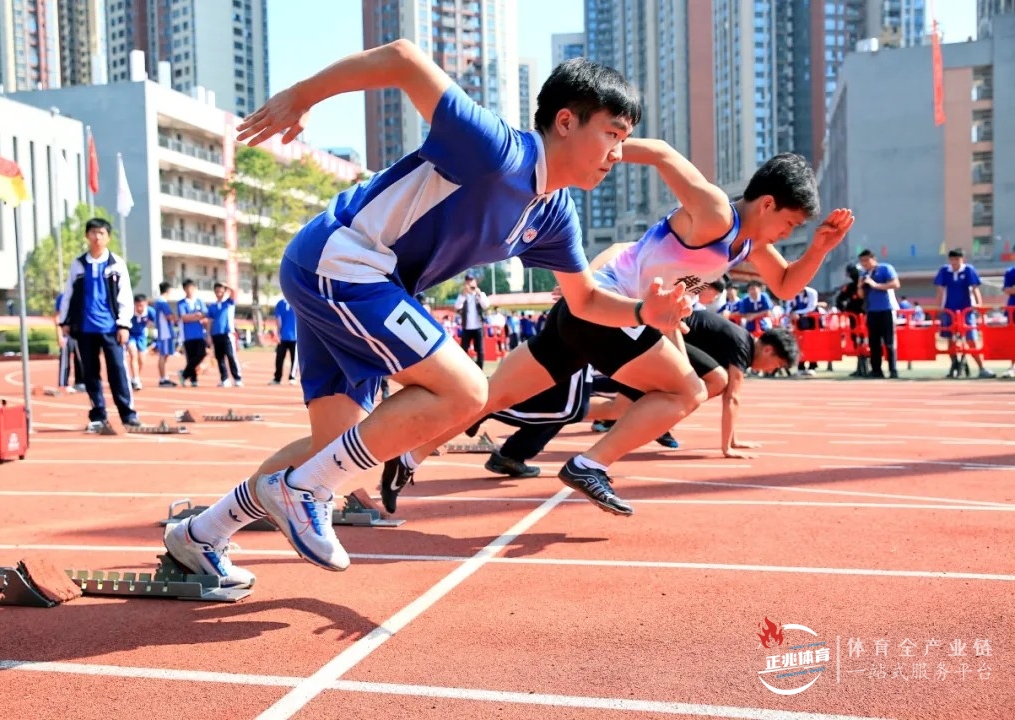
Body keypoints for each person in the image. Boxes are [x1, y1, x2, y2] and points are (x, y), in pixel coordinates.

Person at [160, 43, 692, 587]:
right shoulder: (494, 150)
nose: (617, 154)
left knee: (338, 450)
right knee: (466, 391)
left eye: (625, 140)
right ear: (565, 121)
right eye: (612, 134)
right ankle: (300, 492)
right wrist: (301, 97)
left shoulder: (554, 213)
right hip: (343, 258)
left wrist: (644, 310)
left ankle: (199, 536)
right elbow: (403, 58)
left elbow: (584, 301)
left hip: (366, 281)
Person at [381, 151, 854, 516]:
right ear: (767, 203)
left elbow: (788, 284)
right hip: (610, 311)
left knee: (488, 395)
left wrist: (817, 248)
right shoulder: (716, 214)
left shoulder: (747, 241)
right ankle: (589, 464)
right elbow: (666, 155)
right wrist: (596, 155)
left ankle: (409, 455)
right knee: (690, 391)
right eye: (789, 223)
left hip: (585, 314)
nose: (785, 233)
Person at [482, 309, 798, 478]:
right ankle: (493, 411)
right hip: (644, 342)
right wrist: (727, 447)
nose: (771, 369)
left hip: (649, 352)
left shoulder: (734, 342)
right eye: (776, 363)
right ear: (768, 348)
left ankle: (510, 439)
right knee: (714, 381)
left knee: (607, 408)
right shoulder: (741, 349)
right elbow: (732, 398)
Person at [57, 218, 141, 431]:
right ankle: (98, 415)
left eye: (101, 233)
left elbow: (125, 296)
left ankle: (128, 414)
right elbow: (69, 294)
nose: (97, 237)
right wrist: (65, 321)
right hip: (85, 329)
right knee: (90, 374)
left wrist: (124, 325)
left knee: (118, 371)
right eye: (93, 233)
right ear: (87, 236)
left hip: (111, 328)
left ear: (108, 237)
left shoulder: (116, 264)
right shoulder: (79, 265)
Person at [934, 248, 994, 378]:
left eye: (957, 259)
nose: (954, 262)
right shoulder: (944, 271)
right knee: (950, 340)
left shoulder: (968, 270)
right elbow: (939, 290)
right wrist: (939, 308)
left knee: (971, 339)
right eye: (952, 259)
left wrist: (979, 305)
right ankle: (954, 366)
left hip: (967, 310)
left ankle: (981, 368)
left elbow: (975, 288)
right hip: (949, 310)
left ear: (962, 259)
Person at [857, 249, 900, 379]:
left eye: (866, 260)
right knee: (874, 342)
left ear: (873, 259)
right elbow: (861, 295)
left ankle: (893, 370)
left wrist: (875, 285)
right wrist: (860, 285)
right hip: (871, 311)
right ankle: (876, 370)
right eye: (862, 261)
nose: (864, 264)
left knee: (889, 342)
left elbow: (896, 284)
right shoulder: (864, 274)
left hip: (887, 309)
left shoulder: (885, 268)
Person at [207, 282, 243, 387]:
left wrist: (227, 285)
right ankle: (224, 379)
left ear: (224, 291)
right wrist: (209, 335)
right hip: (216, 334)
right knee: (220, 358)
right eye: (217, 291)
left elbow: (234, 292)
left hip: (227, 334)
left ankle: (237, 378)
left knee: (231, 356)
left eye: (221, 291)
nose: (219, 293)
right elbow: (209, 321)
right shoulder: (212, 306)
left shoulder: (229, 303)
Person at [177, 279, 208, 387]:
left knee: (201, 354)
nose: (189, 290)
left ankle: (184, 374)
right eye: (187, 288)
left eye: (191, 288)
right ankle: (193, 379)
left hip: (199, 334)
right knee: (191, 357)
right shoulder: (181, 303)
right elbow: (184, 318)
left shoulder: (199, 301)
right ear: (184, 289)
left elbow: (204, 314)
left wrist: (193, 317)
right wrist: (196, 316)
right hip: (187, 335)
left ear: (194, 288)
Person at [455, 273, 489, 368]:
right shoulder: (463, 295)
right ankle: (463, 370)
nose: (469, 283)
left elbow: (486, 305)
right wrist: (463, 295)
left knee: (480, 351)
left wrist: (479, 294)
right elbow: (457, 306)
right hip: (466, 327)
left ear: (475, 282)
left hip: (478, 327)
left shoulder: (480, 294)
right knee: (463, 350)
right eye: (468, 281)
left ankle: (480, 370)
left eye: (471, 281)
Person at [54, 290, 85, 393]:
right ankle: (63, 383)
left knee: (81, 357)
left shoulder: (82, 295)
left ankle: (80, 382)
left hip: (79, 331)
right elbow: (57, 316)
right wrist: (59, 335)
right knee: (65, 358)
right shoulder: (62, 297)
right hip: (66, 331)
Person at [126, 294, 155, 391]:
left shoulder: (150, 311)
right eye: (138, 305)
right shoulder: (129, 311)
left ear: (146, 304)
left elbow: (156, 321)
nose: (140, 308)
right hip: (131, 335)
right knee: (133, 355)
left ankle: (135, 377)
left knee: (142, 360)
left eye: (142, 305)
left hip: (142, 336)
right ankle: (136, 379)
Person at [153, 282, 178, 387]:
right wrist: (177, 318)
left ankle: (164, 377)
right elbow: (169, 316)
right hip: (165, 331)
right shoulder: (162, 302)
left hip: (164, 331)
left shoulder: (159, 301)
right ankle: (163, 378)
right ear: (168, 290)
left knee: (165, 354)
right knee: (163, 354)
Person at [272, 296, 298, 385]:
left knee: (287, 358)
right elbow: (278, 319)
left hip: (292, 336)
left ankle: (285, 377)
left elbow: (278, 319)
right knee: (284, 358)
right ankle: (283, 377)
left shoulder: (294, 301)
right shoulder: (296, 300)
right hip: (287, 336)